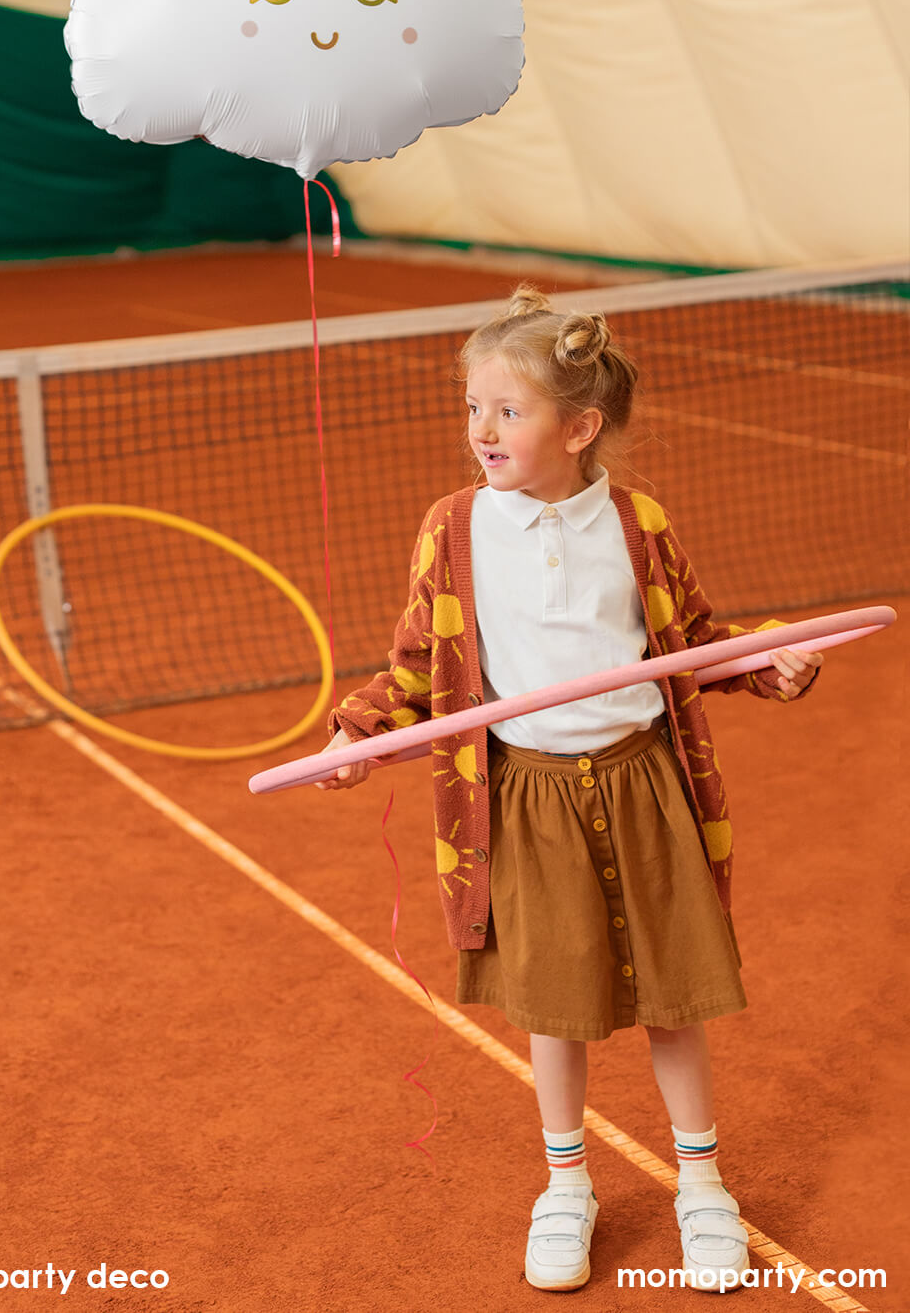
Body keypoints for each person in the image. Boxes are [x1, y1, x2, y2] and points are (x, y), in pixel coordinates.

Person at [315, 285, 822, 1293]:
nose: (480, 429)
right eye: (471, 407)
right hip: (526, 802)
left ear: (579, 427)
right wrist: (363, 727)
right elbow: (420, 668)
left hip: (642, 789)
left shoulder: (635, 523)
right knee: (556, 1005)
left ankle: (702, 1185)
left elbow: (692, 649)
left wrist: (774, 665)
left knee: (673, 998)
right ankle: (567, 1186)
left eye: (508, 410)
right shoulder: (452, 527)